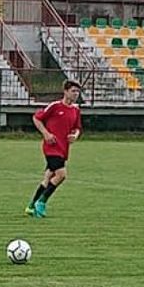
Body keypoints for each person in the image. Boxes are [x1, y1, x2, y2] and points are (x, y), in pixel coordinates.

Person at [26, 80, 83, 218]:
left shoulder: (76, 110)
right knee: (61, 175)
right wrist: (46, 134)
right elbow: (37, 118)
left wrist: (75, 135)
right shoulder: (55, 106)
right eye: (73, 91)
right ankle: (42, 202)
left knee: (48, 178)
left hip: (63, 149)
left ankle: (31, 206)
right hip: (52, 148)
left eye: (77, 91)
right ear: (65, 91)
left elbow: (78, 128)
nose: (76, 94)